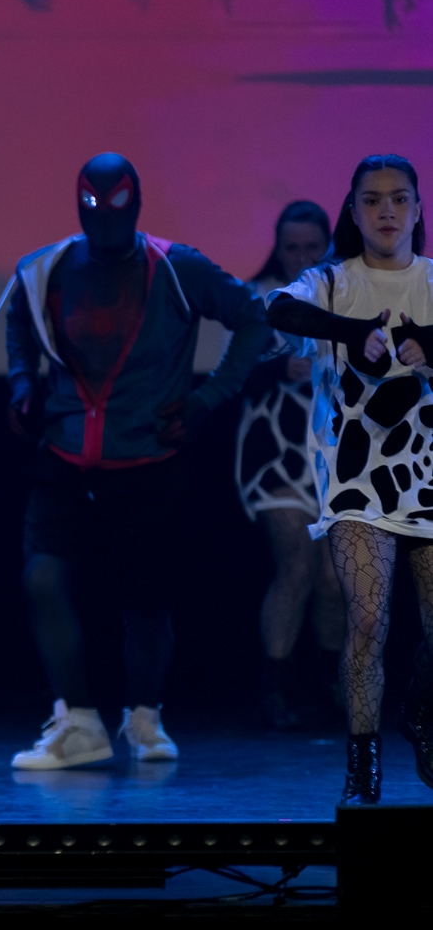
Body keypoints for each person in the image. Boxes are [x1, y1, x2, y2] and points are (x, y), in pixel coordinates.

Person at [5, 152, 271, 770]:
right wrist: (21, 383)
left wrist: (207, 399)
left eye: (116, 203)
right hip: (65, 454)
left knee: (145, 601)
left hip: (149, 460)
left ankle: (145, 717)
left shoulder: (177, 267)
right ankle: (78, 723)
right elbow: (19, 321)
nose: (104, 216)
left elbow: (253, 318)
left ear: (137, 203)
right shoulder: (45, 269)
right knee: (42, 578)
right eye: (93, 204)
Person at [265, 153, 433, 805]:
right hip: (358, 480)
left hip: (429, 476)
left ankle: (419, 709)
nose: (386, 210)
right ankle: (363, 770)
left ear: (417, 208)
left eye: (399, 198)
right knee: (366, 621)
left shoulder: (431, 281)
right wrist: (353, 331)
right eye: (372, 199)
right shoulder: (331, 282)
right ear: (354, 210)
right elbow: (280, 310)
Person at [236, 202, 344, 729]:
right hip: (275, 455)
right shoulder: (257, 300)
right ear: (277, 250)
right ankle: (274, 686)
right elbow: (231, 376)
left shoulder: (346, 297)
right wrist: (281, 367)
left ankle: (328, 679)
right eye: (292, 248)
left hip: (335, 457)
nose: (302, 257)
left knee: (332, 579)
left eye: (311, 247)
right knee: (296, 563)